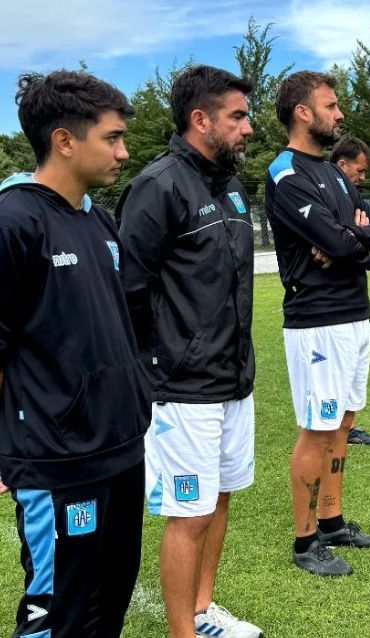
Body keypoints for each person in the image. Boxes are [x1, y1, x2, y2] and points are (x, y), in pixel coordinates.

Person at [0, 70, 150, 638]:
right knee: (56, 616)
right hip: (56, 460)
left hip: (119, 448)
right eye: (112, 138)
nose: (123, 152)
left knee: (106, 610)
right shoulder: (14, 221)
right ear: (64, 140)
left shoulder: (97, 218)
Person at [116, 65, 261, 638]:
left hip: (234, 379)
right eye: (237, 116)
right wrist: (157, 365)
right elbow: (128, 290)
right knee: (189, 513)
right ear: (201, 120)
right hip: (181, 388)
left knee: (219, 498)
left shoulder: (231, 186)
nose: (248, 127)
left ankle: (202, 613)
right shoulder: (158, 185)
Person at [265, 71, 370, 577]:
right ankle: (305, 541)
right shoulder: (286, 174)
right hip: (316, 322)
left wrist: (350, 242)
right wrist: (348, 240)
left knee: (343, 422)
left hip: (355, 315)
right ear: (303, 112)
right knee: (317, 429)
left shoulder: (335, 174)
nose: (339, 114)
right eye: (331, 106)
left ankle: (333, 521)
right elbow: (343, 240)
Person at [330, 136, 370, 446]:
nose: (362, 178)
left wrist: (353, 237)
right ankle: (334, 430)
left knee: (353, 377)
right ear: (342, 165)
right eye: (360, 170)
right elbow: (336, 244)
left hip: (357, 305)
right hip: (329, 310)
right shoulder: (324, 196)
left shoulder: (354, 198)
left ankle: (347, 429)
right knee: (334, 379)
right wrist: (361, 237)